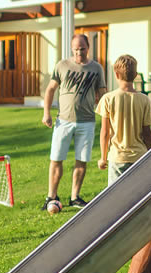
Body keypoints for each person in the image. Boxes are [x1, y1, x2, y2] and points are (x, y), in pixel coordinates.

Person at [41, 34, 107, 210]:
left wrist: (105, 115)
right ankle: (51, 196)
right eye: (76, 49)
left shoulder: (96, 68)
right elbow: (50, 90)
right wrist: (46, 113)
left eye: (82, 49)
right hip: (63, 121)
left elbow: (103, 94)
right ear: (72, 48)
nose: (79, 52)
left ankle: (75, 197)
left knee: (81, 160)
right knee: (56, 159)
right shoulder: (62, 65)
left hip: (87, 122)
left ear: (88, 48)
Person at [96, 54, 151, 185]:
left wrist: (103, 158)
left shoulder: (108, 98)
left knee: (116, 196)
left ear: (116, 75)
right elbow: (147, 132)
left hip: (117, 158)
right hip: (139, 156)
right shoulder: (144, 100)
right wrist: (149, 152)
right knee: (137, 194)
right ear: (135, 75)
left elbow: (105, 132)